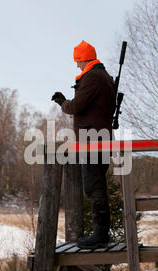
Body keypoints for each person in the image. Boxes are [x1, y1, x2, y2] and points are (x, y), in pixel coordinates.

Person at [51, 41, 116, 249]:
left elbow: (77, 106)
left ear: (83, 59)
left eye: (78, 61)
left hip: (92, 141)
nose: (77, 66)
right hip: (100, 138)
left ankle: (100, 235)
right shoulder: (101, 76)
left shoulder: (93, 77)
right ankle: (101, 233)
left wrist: (62, 102)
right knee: (97, 185)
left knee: (93, 186)